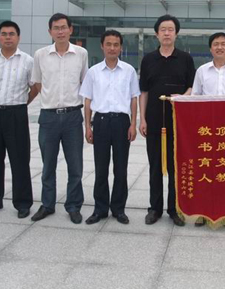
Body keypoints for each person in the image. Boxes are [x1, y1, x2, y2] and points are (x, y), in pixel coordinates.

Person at [30, 13, 88, 224]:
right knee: (48, 165)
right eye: (56, 28)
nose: (60, 31)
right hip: (48, 117)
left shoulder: (81, 53)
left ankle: (73, 206)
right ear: (50, 32)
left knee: (75, 166)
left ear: (70, 30)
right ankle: (47, 204)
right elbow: (37, 83)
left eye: (64, 27)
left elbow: (84, 83)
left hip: (73, 116)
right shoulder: (40, 55)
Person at [0, 21, 37, 219]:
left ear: (18, 37)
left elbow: (35, 87)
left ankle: (23, 203)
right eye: (4, 34)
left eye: (12, 34)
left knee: (20, 160)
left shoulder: (28, 61)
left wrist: (21, 103)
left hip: (16, 114)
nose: (8, 37)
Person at [140, 15, 195, 226]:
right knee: (155, 165)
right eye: (163, 29)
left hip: (178, 121)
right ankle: (154, 208)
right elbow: (144, 91)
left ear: (176, 34)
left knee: (176, 166)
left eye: (170, 29)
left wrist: (183, 97)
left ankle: (175, 209)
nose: (166, 33)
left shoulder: (185, 59)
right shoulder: (148, 59)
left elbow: (191, 87)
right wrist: (142, 119)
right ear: (156, 34)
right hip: (154, 120)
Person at [80, 30, 140, 225]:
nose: (112, 48)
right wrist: (88, 127)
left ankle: (118, 209)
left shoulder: (129, 71)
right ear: (102, 46)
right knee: (101, 168)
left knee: (121, 169)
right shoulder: (93, 71)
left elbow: (134, 98)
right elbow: (87, 100)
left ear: (121, 47)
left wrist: (133, 124)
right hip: (101, 122)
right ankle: (100, 209)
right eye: (109, 44)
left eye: (116, 44)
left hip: (122, 122)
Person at [191, 32, 225, 229]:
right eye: (216, 44)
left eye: (223, 44)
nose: (219, 47)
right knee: (205, 169)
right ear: (210, 48)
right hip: (206, 129)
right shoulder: (202, 71)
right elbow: (195, 97)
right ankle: (203, 211)